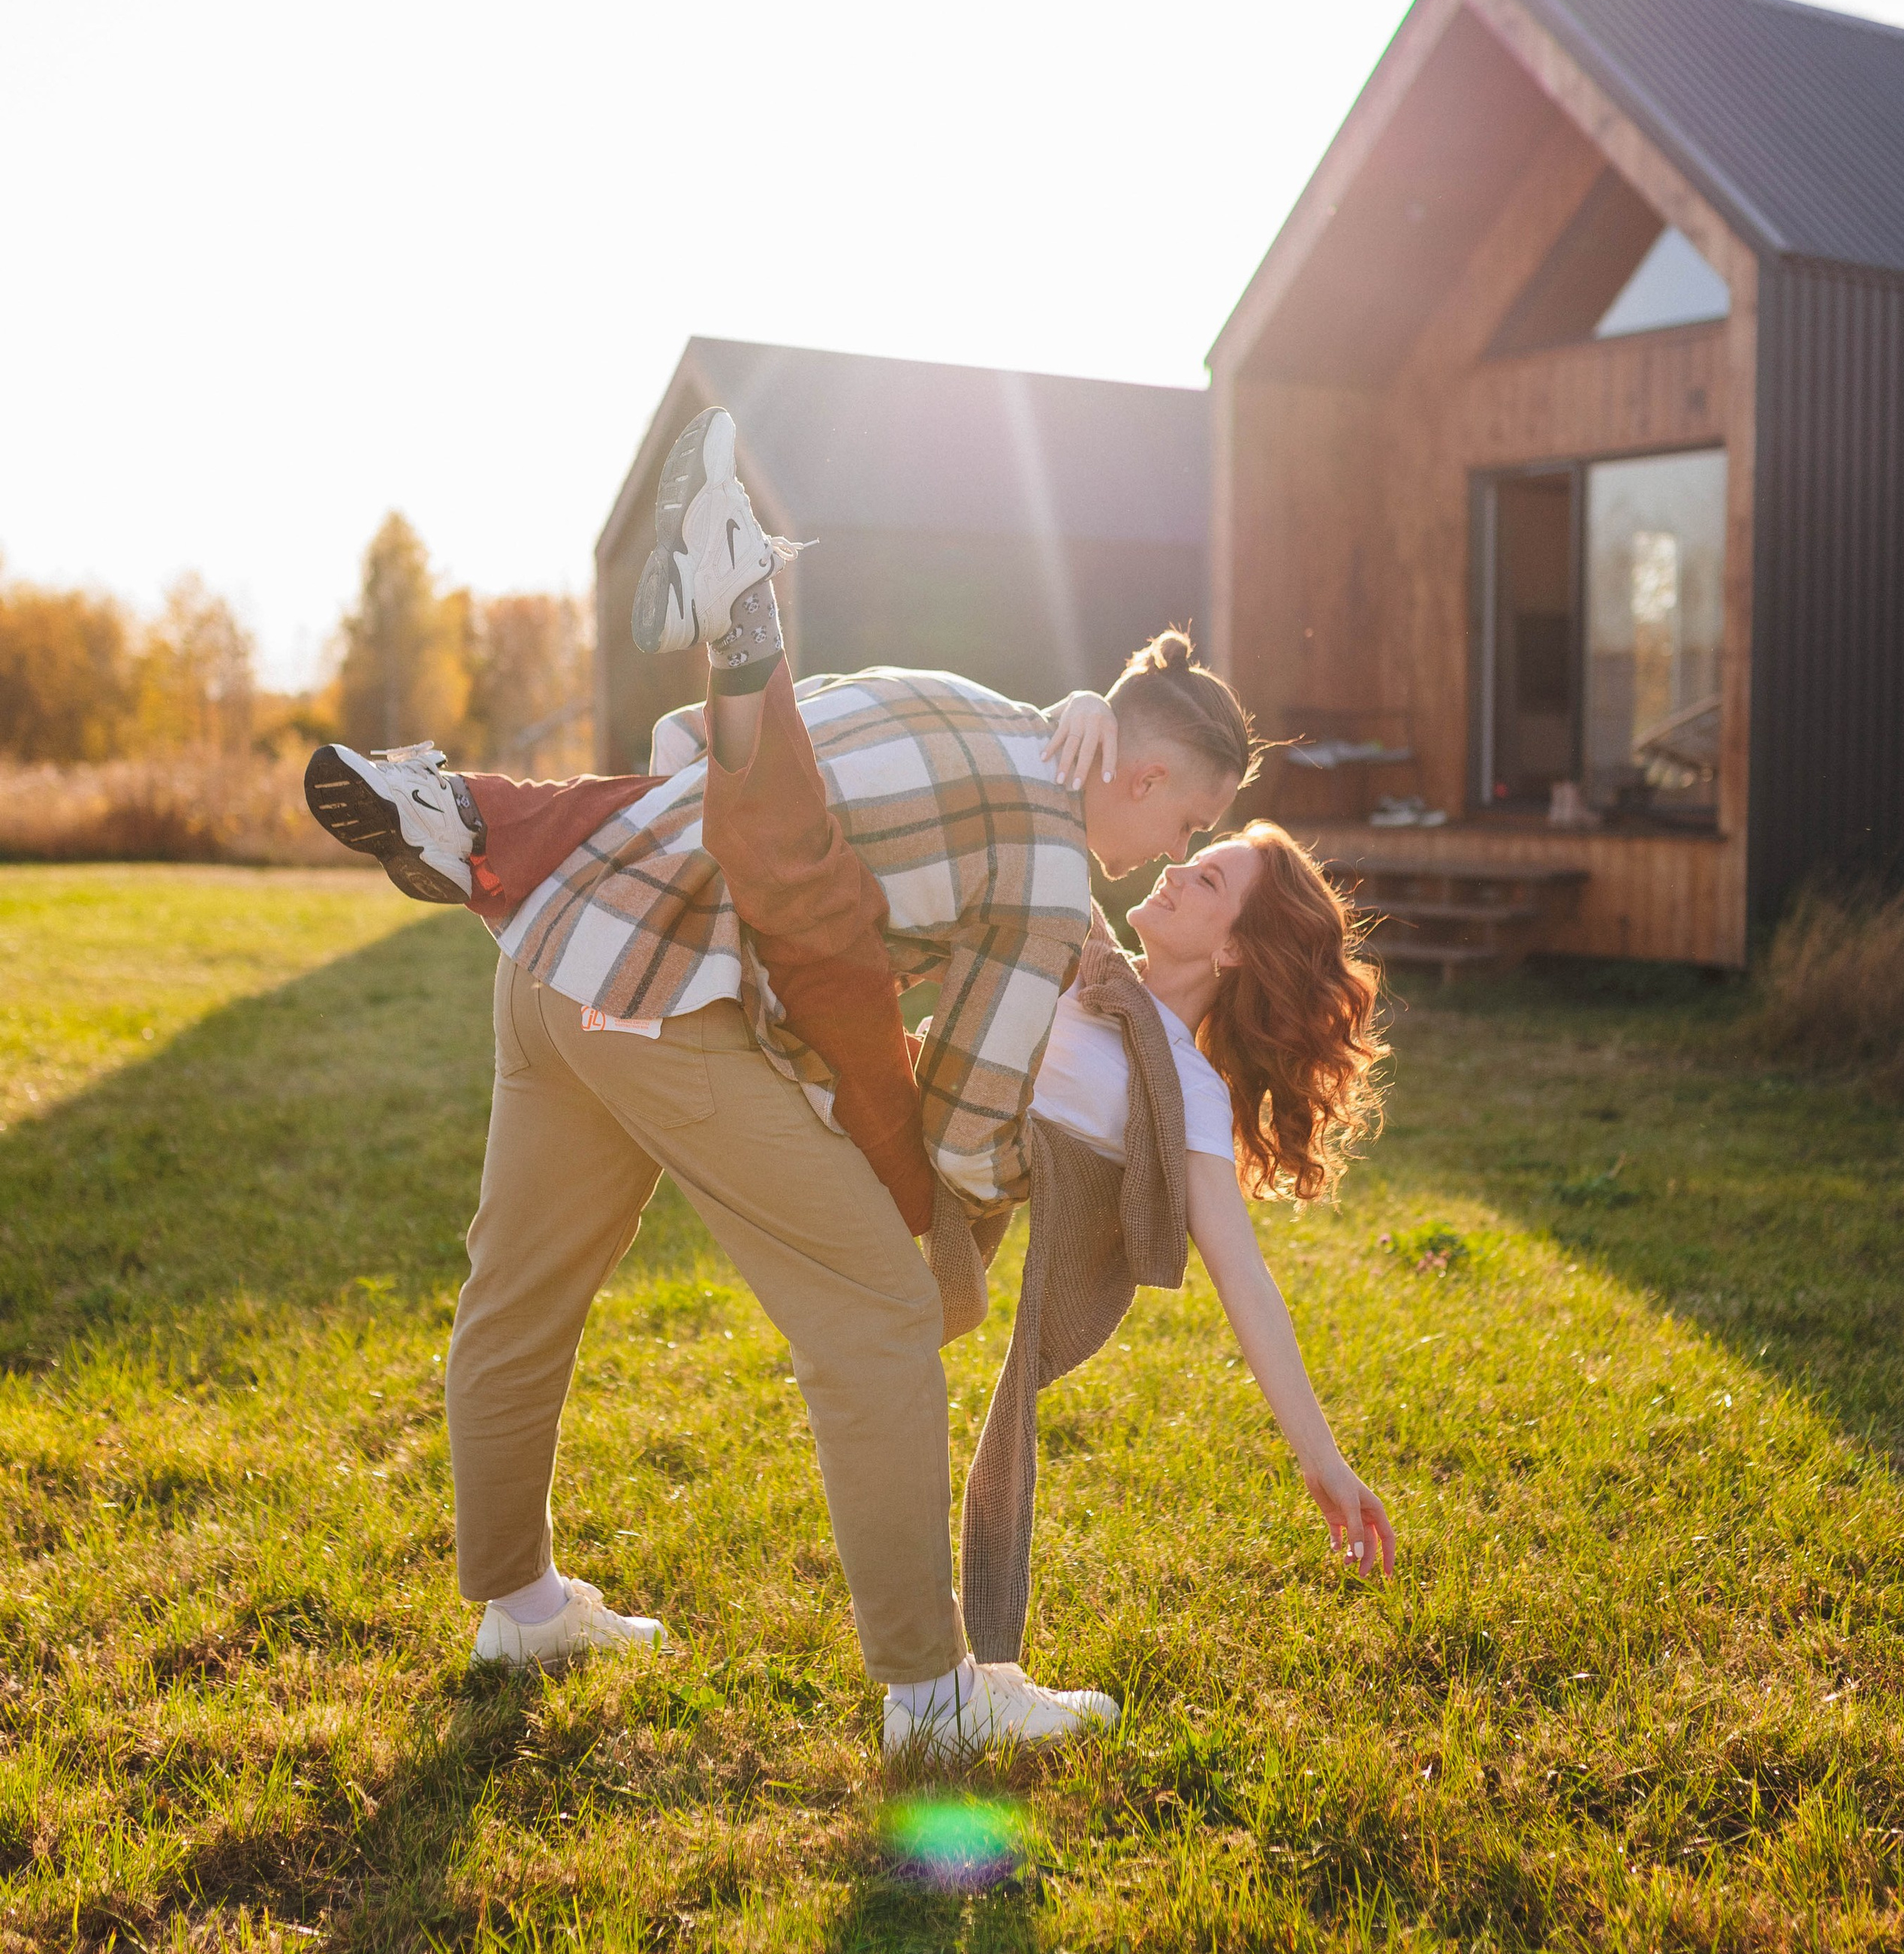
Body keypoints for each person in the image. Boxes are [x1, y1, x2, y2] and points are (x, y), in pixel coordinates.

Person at [304, 407, 1389, 1757]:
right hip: (668, 989)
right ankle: (932, 1697)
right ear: (1149, 773)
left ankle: (519, 1604)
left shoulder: (985, 707)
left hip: (556, 934)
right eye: (1182, 826)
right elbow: (965, 1113)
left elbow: (747, 767)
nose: (1162, 855)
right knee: (878, 1314)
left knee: (519, 1291)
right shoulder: (1059, 876)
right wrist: (957, 1221)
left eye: (1199, 854)